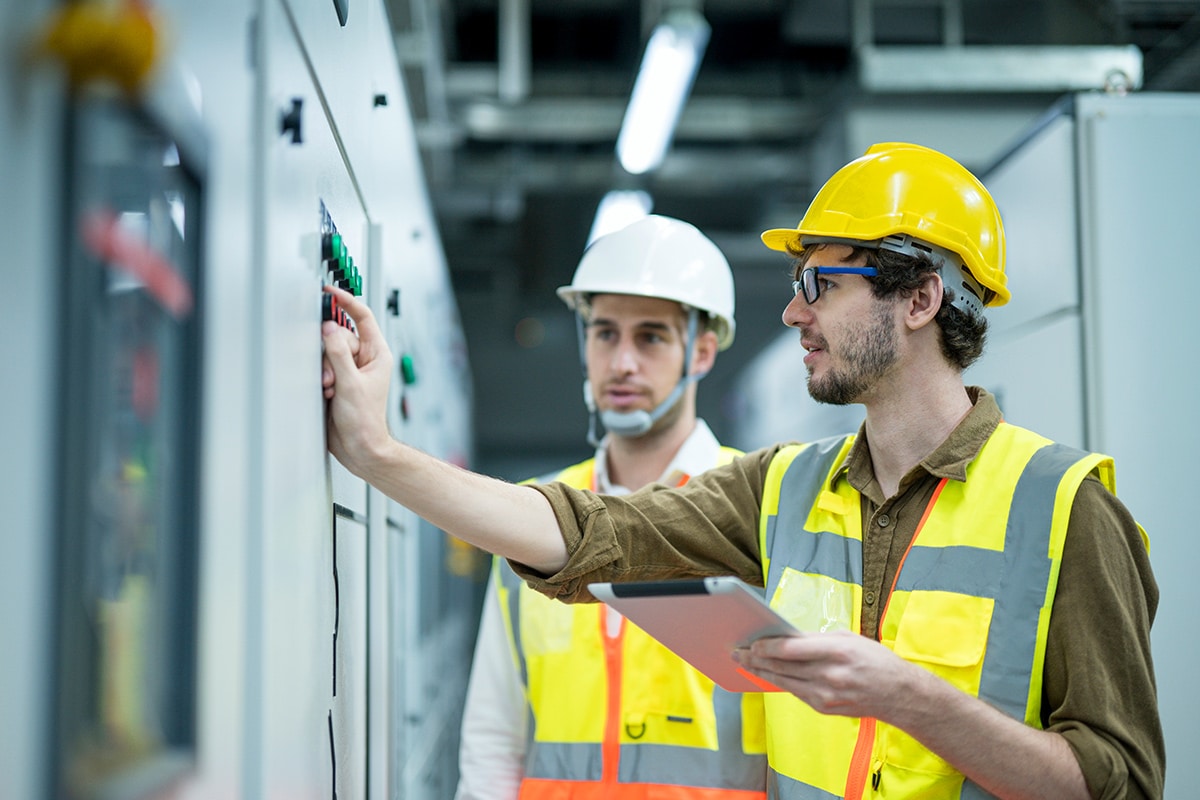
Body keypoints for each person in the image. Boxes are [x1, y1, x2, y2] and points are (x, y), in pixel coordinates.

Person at [322, 142, 1164, 799]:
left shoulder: (1067, 509)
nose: (794, 311)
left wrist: (913, 699)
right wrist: (378, 453)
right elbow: (592, 531)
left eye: (821, 283)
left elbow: (1117, 783)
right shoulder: (782, 489)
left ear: (920, 299)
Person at [454, 215, 770, 799]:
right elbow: (495, 735)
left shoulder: (760, 508)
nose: (622, 363)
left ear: (700, 352)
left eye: (649, 336)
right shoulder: (536, 512)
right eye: (604, 333)